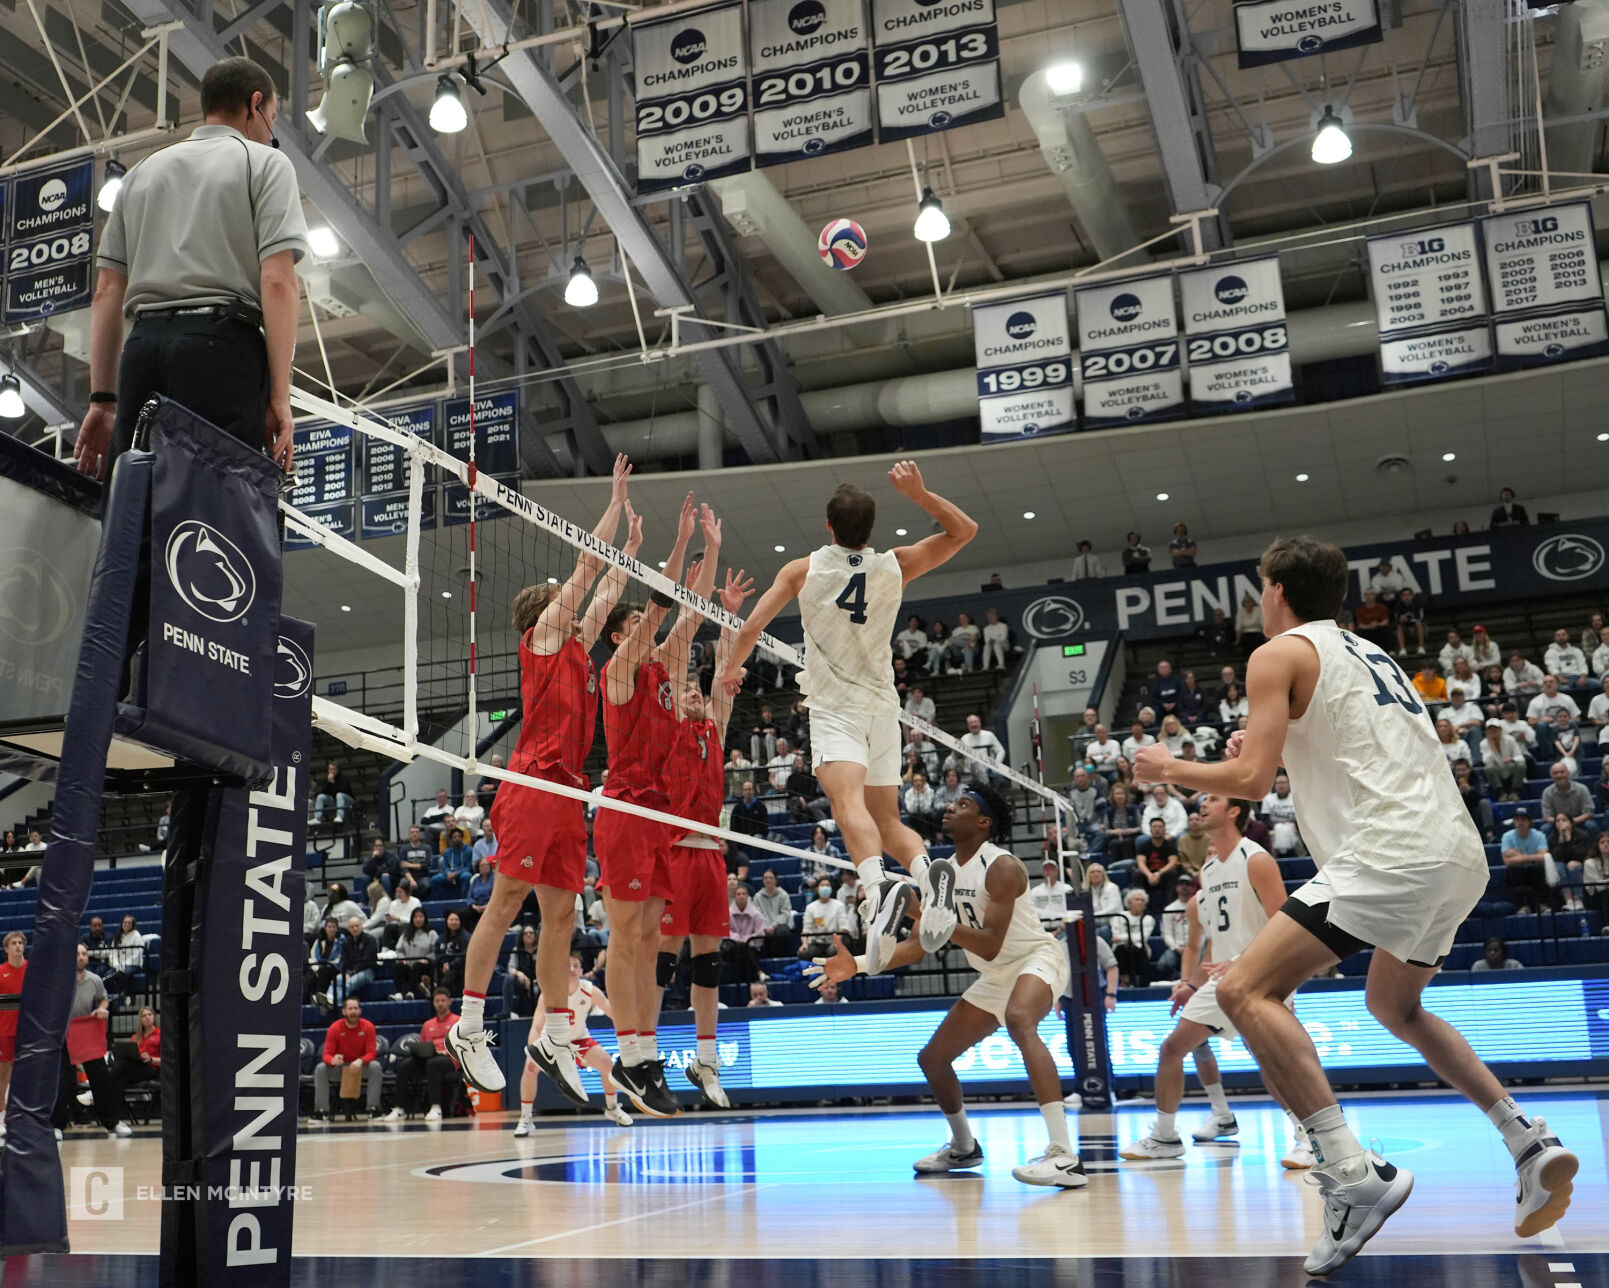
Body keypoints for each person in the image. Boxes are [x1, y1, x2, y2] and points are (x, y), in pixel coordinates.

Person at [1133, 534, 1576, 1274]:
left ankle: (1347, 1172)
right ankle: (1523, 1137)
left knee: (1241, 988)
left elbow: (1246, 777)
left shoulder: (1273, 654)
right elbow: (1326, 747)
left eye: (1259, 586)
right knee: (1395, 1008)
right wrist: (1273, 742)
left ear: (1276, 591)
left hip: (1388, 850)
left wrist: (1165, 765)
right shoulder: (1367, 652)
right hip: (1456, 852)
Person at [719, 462, 977, 977]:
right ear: (869, 528)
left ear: (828, 526)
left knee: (846, 805)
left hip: (836, 707)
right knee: (889, 820)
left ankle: (877, 887)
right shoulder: (894, 564)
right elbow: (963, 531)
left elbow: (749, 628)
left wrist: (729, 670)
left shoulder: (804, 569)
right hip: (883, 707)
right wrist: (921, 492)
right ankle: (928, 877)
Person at [446, 457, 637, 1107]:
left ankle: (555, 1032)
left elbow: (603, 591)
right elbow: (586, 575)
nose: (576, 608)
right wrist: (612, 505)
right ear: (544, 616)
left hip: (567, 794)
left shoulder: (580, 650)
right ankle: (467, 1028)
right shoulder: (543, 638)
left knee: (561, 915)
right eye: (565, 604)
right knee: (505, 904)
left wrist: (632, 553)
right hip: (531, 785)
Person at [809, 786, 1086, 1187]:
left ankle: (1064, 1156)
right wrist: (860, 963)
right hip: (995, 976)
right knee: (933, 1059)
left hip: (1034, 959)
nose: (949, 808)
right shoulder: (941, 874)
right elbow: (920, 944)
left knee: (1019, 1020)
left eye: (963, 805)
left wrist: (941, 922)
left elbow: (990, 943)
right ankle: (963, 1146)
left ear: (983, 822)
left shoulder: (1002, 867)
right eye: (952, 802)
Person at [74, 55, 305, 483]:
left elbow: (106, 293)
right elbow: (277, 282)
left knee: (135, 509)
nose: (270, 132)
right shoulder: (266, 164)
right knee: (217, 514)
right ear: (255, 104)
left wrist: (103, 401)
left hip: (143, 351)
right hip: (220, 351)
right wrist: (279, 396)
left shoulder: (140, 174)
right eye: (272, 118)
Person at [589, 497, 716, 1120]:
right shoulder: (617, 673)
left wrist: (708, 551)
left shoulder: (666, 678)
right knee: (626, 936)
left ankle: (641, 1058)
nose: (656, 637)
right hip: (624, 808)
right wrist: (675, 549)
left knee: (647, 937)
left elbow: (686, 619)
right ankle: (631, 1057)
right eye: (640, 628)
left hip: (661, 817)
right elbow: (662, 613)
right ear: (622, 634)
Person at [1121, 793, 1307, 1166]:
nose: (1201, 806)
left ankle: (1309, 1135)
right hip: (1222, 979)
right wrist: (1190, 984)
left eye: (1213, 799)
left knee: (1273, 1060)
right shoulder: (1209, 870)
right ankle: (1165, 1136)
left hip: (1262, 976)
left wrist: (1240, 962)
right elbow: (1212, 941)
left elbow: (1285, 926)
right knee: (1173, 1048)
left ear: (1234, 811)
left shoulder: (1255, 859)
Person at [657, 563, 752, 1110]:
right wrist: (694, 601)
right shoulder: (671, 722)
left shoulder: (713, 728)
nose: (694, 692)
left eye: (698, 689)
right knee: (665, 963)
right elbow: (675, 670)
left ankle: (707, 1062)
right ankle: (642, 1057)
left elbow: (724, 670)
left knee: (709, 966)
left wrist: (729, 616)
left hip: (711, 856)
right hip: (674, 854)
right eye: (687, 689)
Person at [513, 956, 633, 1132]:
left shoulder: (590, 990)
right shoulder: (550, 991)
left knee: (608, 1064)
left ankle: (612, 1108)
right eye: (567, 965)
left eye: (576, 965)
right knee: (529, 1070)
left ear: (582, 971)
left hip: (579, 1040)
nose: (571, 968)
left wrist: (630, 1022)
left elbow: (611, 1011)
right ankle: (526, 1117)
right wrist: (533, 1051)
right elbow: (536, 1027)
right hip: (552, 1040)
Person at [53, 944, 123, 1136]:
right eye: (77, 954)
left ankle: (112, 1122)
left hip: (86, 1031)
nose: (81, 957)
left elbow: (103, 999)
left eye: (84, 954)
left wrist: (101, 1008)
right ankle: (57, 1125)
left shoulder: (95, 980)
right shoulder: (60, 981)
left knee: (101, 1077)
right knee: (63, 1080)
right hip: (65, 1034)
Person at [386, 987, 462, 1121]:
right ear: (433, 1002)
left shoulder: (458, 1021)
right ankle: (398, 1108)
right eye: (437, 1000)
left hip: (449, 1059)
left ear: (449, 1002)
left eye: (443, 1000)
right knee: (404, 1066)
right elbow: (422, 1045)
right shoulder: (428, 1024)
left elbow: (463, 1045)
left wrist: (445, 1051)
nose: (440, 1003)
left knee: (433, 1064)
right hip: (429, 1058)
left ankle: (436, 1107)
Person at [311, 996, 381, 1121]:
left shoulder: (368, 1027)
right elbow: (326, 1054)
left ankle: (374, 1109)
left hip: (360, 1067)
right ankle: (321, 1111)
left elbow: (372, 1053)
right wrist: (332, 1060)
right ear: (344, 1011)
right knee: (321, 1069)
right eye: (350, 1009)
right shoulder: (335, 1028)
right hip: (341, 1068)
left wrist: (361, 1060)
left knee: (375, 1067)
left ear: (360, 1011)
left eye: (356, 1008)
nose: (353, 1011)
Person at [106, 1004, 160, 1134]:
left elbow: (169, 1060)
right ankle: (117, 1120)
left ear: (154, 1016)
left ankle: (100, 1091)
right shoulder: (135, 1038)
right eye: (144, 1015)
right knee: (119, 1080)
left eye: (149, 1014)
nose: (147, 1017)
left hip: (151, 1069)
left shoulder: (160, 1034)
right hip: (134, 1069)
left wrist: (151, 1059)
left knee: (122, 1065)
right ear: (140, 1019)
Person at [1500, 808, 1552, 913]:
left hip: (1535, 869)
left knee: (1538, 868)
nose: (1520, 822)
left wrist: (1519, 856)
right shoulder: (1507, 836)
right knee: (1514, 870)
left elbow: (1543, 857)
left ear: (1529, 822)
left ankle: (1541, 904)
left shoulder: (1539, 835)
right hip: (1518, 870)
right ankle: (1521, 906)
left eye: (1523, 819)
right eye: (1517, 820)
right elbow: (1507, 861)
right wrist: (1533, 856)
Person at [0, 932, 27, 1111]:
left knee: (24, 1073)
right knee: (3, 1072)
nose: (18, 946)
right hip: (4, 1030)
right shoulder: (1, 972)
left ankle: (23, 1114)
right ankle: (1, 1113)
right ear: (7, 948)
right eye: (14, 943)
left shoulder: (32, 969)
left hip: (26, 1030)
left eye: (20, 943)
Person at [391, 907, 438, 1000]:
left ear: (425, 918)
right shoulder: (406, 934)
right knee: (398, 966)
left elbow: (435, 951)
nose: (418, 919)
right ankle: (399, 993)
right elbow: (399, 950)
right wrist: (402, 958)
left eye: (420, 916)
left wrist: (425, 959)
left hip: (424, 967)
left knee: (417, 966)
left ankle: (412, 992)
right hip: (408, 966)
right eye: (415, 917)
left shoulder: (431, 934)